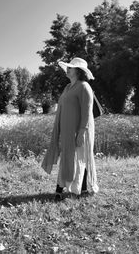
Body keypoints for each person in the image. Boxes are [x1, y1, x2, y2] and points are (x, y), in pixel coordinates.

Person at [41, 57, 99, 199]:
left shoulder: (84, 87)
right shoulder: (67, 88)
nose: (67, 69)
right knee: (68, 157)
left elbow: (87, 112)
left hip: (80, 130)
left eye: (70, 67)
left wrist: (81, 133)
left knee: (80, 158)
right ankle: (76, 189)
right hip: (67, 131)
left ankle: (66, 190)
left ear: (78, 71)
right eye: (67, 67)